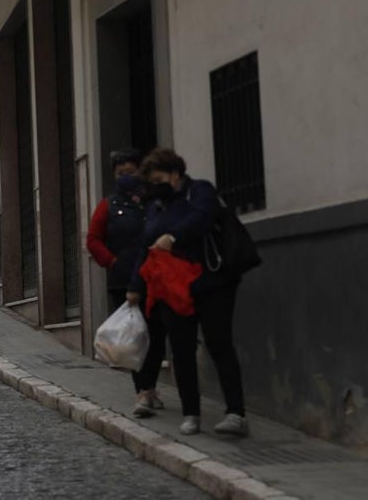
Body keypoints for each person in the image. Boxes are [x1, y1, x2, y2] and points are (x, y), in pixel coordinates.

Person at [129, 148, 248, 437]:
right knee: (181, 351)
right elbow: (146, 247)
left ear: (175, 172)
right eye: (152, 181)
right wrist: (135, 285)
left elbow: (202, 218)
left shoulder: (200, 191)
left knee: (219, 344)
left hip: (211, 283)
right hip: (173, 289)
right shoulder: (157, 206)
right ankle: (191, 413)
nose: (157, 185)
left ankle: (236, 413)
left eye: (160, 178)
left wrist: (173, 236)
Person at [84, 148, 166, 419]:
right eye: (120, 174)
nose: (125, 177)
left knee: (156, 336)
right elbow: (93, 239)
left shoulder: (152, 202)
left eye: (130, 172)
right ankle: (141, 390)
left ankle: (150, 387)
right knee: (135, 337)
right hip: (124, 280)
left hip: (156, 279)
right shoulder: (108, 205)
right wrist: (112, 261)